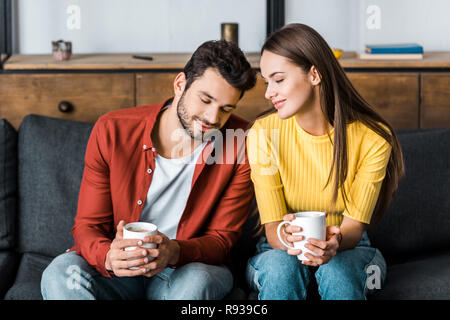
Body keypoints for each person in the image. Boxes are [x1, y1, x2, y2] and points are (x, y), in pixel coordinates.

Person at [41, 40, 257, 300]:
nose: (213, 118)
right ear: (180, 85)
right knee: (60, 273)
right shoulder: (112, 130)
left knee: (197, 282)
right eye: (205, 99)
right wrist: (109, 256)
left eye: (226, 109)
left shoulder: (239, 140)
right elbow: (88, 225)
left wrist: (174, 251)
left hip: (184, 269)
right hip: (118, 271)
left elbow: (222, 240)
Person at [246, 23, 404, 300]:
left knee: (337, 272)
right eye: (266, 81)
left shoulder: (374, 139)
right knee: (282, 271)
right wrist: (288, 237)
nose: (268, 93)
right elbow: (272, 228)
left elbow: (354, 228)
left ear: (315, 74)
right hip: (278, 249)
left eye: (278, 80)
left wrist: (335, 241)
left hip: (352, 248)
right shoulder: (262, 133)